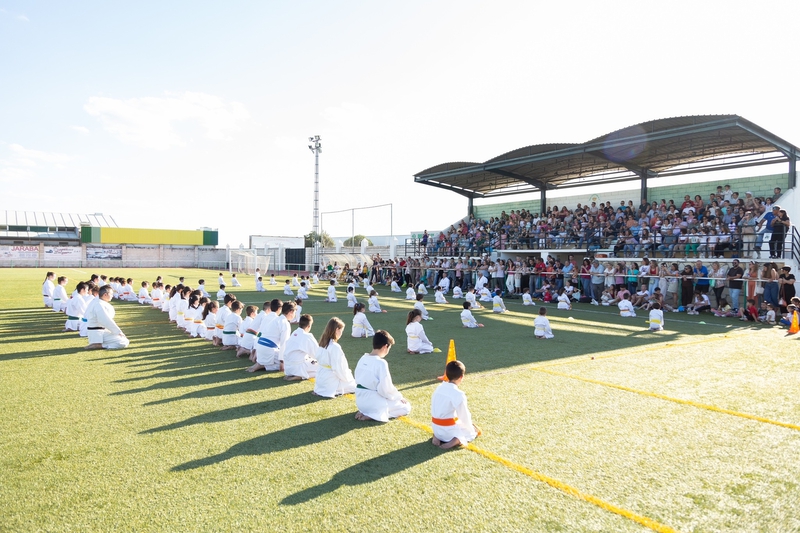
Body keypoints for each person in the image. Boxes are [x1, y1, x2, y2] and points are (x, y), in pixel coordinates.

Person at [354, 330, 412, 422]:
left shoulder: (362, 358)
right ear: (385, 346)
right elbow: (385, 389)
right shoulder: (381, 363)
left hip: (360, 401)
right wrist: (399, 397)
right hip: (374, 403)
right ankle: (374, 414)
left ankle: (367, 412)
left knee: (385, 399)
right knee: (406, 407)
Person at [431, 360, 480, 449]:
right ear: (461, 376)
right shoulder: (458, 394)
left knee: (454, 422)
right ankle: (456, 440)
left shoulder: (439, 388)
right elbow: (464, 416)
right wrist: (471, 427)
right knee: (472, 432)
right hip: (448, 432)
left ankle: (437, 436)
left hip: (436, 428)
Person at [313, 317, 356, 398]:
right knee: (353, 386)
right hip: (329, 381)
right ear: (337, 330)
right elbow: (339, 369)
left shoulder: (322, 343)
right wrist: (347, 378)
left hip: (320, 379)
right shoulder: (335, 347)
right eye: (341, 331)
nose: (341, 334)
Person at [248, 301, 295, 372]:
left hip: (260, 348)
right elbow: (284, 344)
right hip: (268, 350)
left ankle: (261, 364)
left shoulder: (276, 319)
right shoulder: (285, 323)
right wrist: (282, 362)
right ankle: (263, 365)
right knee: (291, 363)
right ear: (291, 311)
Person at [84, 285, 130, 350]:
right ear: (105, 294)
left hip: (101, 330)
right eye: (111, 294)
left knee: (123, 339)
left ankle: (99, 344)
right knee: (123, 342)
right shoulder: (99, 304)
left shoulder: (98, 302)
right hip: (98, 332)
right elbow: (106, 320)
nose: (112, 296)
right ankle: (99, 345)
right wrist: (118, 332)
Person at [283, 314, 319, 381]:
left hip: (287, 368)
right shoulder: (307, 336)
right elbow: (317, 354)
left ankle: (297, 374)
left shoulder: (294, 333)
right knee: (322, 368)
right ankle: (300, 376)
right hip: (298, 367)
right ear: (309, 326)